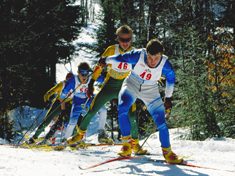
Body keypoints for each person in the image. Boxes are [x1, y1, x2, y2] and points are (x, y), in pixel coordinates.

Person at [96, 38, 183, 164]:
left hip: (151, 89)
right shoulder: (137, 55)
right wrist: (105, 60)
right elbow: (120, 58)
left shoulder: (166, 65)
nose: (153, 61)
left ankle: (168, 152)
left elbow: (171, 81)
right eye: (150, 57)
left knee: (161, 121)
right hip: (132, 83)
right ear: (146, 53)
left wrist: (168, 98)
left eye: (156, 58)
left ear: (161, 55)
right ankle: (126, 145)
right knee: (123, 108)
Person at [67, 25, 148, 155]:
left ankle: (135, 143)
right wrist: (91, 82)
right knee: (93, 109)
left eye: (128, 40)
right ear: (118, 39)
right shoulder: (111, 50)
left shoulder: (135, 53)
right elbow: (99, 67)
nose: (125, 43)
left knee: (131, 115)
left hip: (125, 86)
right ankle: (79, 135)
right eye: (122, 39)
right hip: (110, 85)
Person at [27, 73, 73, 144]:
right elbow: (53, 90)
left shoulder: (75, 85)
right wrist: (48, 95)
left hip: (67, 104)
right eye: (68, 80)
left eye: (71, 80)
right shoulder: (62, 84)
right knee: (47, 119)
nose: (69, 82)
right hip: (58, 103)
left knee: (69, 121)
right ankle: (34, 137)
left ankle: (71, 139)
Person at [60, 62, 93, 140]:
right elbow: (63, 92)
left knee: (86, 120)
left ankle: (82, 140)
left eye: (86, 73)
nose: (84, 76)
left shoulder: (91, 78)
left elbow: (104, 79)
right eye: (82, 73)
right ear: (78, 73)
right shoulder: (73, 80)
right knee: (72, 122)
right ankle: (65, 140)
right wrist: (63, 97)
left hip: (88, 101)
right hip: (78, 102)